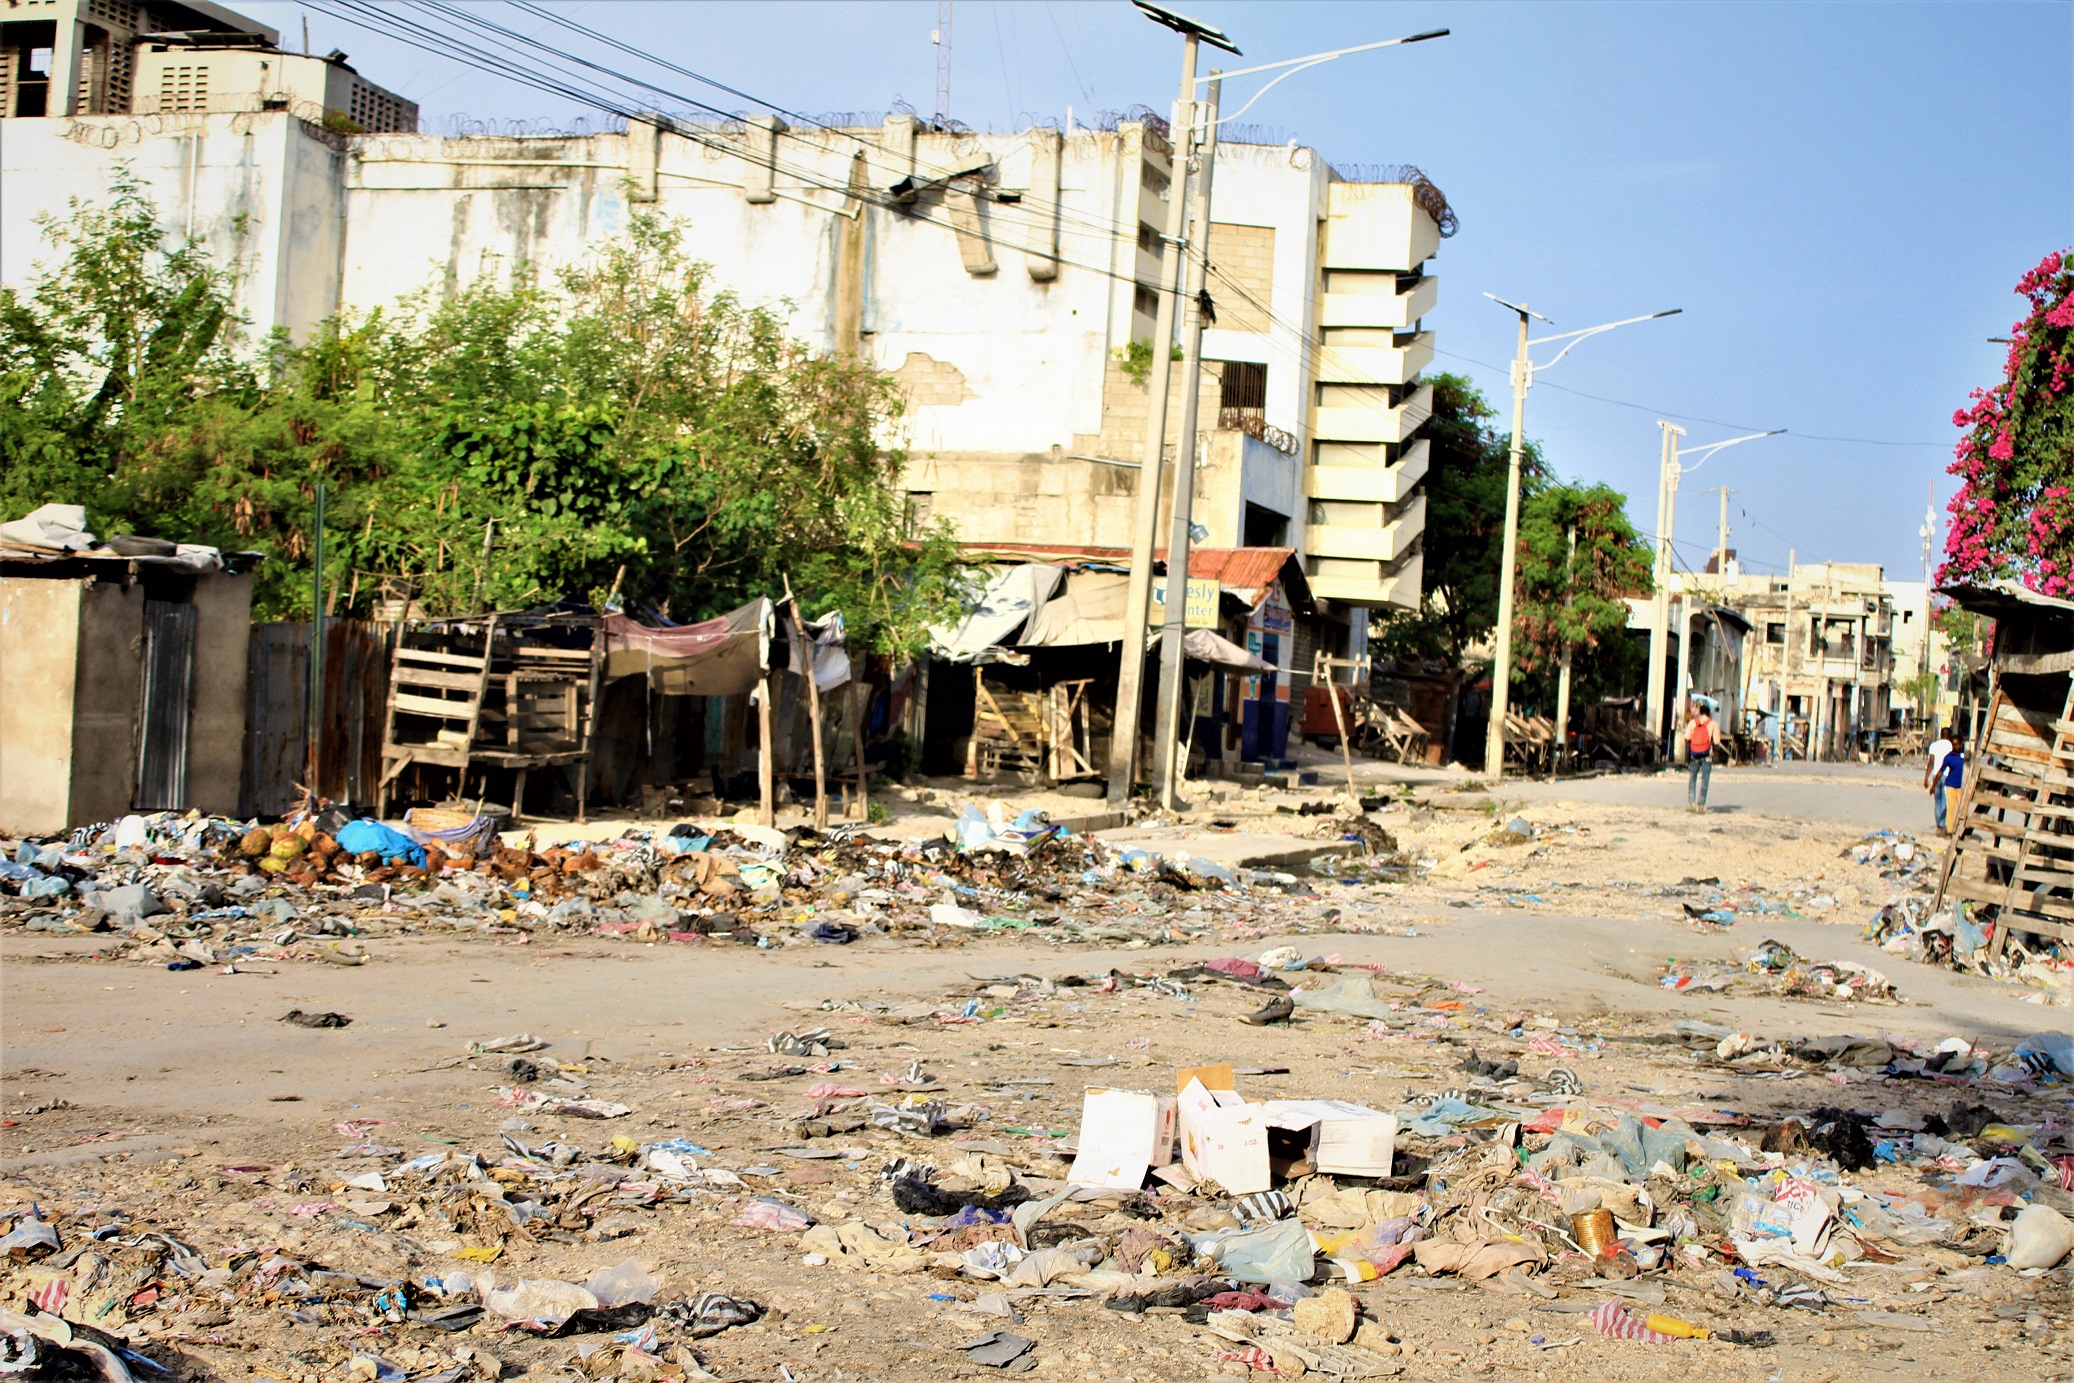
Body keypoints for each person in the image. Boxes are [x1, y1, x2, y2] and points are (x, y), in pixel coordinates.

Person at [1681, 699, 1717, 813]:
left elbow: (1686, 738)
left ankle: (1692, 803)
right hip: (1707, 754)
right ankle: (1700, 805)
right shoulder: (1713, 724)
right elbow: (1717, 740)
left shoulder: (1692, 723)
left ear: (1700, 712)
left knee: (1692, 778)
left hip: (1694, 754)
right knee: (1705, 779)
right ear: (1709, 713)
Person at [1924, 724, 1955, 833]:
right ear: (1950, 736)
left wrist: (1926, 778)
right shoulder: (1952, 746)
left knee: (1937, 801)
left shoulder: (1934, 745)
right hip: (1948, 776)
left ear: (1941, 735)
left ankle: (1939, 826)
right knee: (1945, 801)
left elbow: (1931, 763)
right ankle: (1942, 825)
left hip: (1936, 776)